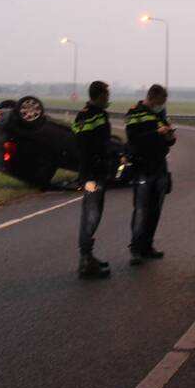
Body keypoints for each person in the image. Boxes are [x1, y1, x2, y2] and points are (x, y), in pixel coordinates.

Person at [125, 84, 176, 265]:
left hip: (160, 167)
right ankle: (136, 249)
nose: (161, 106)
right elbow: (134, 139)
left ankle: (148, 245)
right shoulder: (134, 113)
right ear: (152, 98)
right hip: (143, 168)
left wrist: (169, 136)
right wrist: (156, 133)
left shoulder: (160, 115)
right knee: (141, 210)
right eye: (160, 102)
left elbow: (169, 140)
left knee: (155, 210)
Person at [72, 80, 112, 279]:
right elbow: (85, 147)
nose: (108, 98)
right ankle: (86, 260)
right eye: (106, 95)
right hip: (91, 176)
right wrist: (94, 169)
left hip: (96, 173)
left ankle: (88, 257)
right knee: (91, 215)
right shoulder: (87, 116)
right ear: (99, 95)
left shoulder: (97, 115)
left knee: (94, 214)